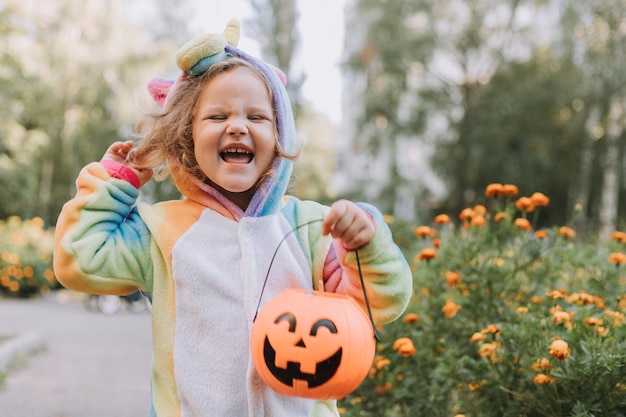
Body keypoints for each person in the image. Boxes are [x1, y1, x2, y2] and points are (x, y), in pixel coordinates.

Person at [53, 19, 412, 417]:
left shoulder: (313, 230)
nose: (237, 126)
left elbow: (376, 307)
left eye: (257, 117)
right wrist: (115, 183)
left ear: (281, 136)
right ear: (186, 136)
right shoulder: (163, 233)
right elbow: (81, 259)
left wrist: (365, 245)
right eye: (216, 117)